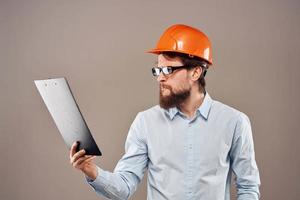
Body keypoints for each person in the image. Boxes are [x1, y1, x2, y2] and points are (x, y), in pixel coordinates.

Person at [69, 24, 261, 200]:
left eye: (168, 69)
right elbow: (124, 188)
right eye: (157, 70)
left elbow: (248, 188)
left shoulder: (234, 122)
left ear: (195, 72)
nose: (160, 78)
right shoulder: (145, 122)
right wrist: (90, 169)